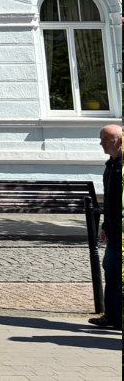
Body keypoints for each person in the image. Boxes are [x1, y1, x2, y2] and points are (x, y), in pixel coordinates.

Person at [89, 124, 121, 330]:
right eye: (101, 138)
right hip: (113, 230)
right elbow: (110, 201)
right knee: (111, 270)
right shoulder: (111, 165)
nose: (101, 143)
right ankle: (112, 316)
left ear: (119, 140)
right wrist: (104, 226)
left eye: (105, 139)